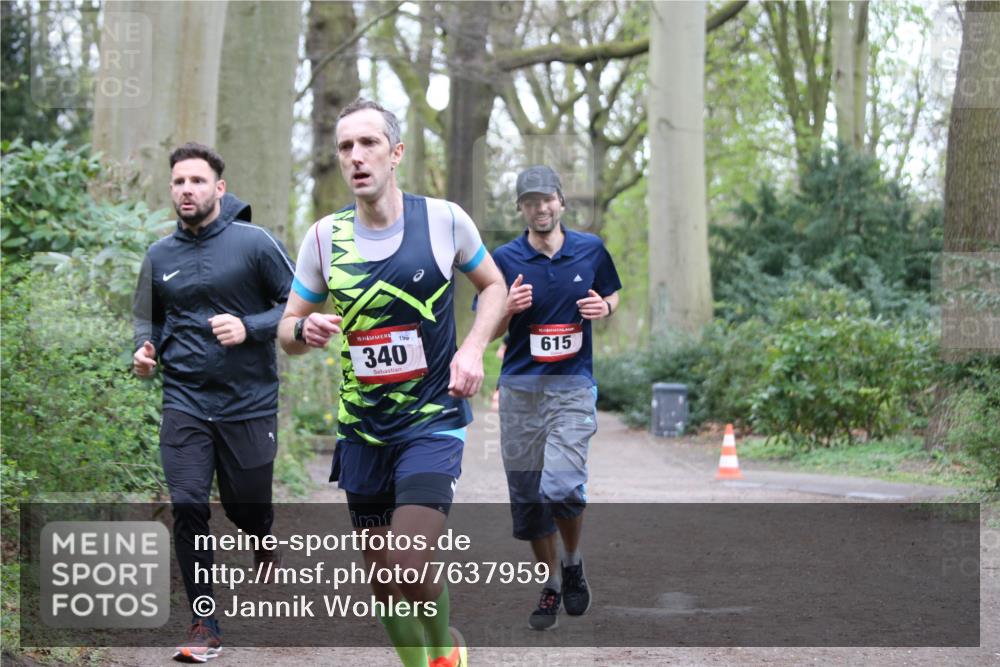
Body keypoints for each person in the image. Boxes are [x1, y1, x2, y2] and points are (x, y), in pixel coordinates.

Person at [278, 99, 506, 667]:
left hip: (432, 421)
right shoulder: (325, 239)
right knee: (384, 584)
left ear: (396, 153)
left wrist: (474, 348)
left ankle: (445, 652)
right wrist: (306, 328)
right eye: (345, 147)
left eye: (369, 144)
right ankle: (427, 660)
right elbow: (285, 332)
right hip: (362, 432)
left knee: (409, 563)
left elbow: (495, 287)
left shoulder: (443, 220)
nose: (357, 157)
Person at [132, 142, 295, 663]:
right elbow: (147, 318)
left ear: (219, 189)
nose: (187, 190)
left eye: (197, 181)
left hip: (248, 401)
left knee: (246, 503)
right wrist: (143, 347)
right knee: (188, 505)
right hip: (184, 399)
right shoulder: (159, 255)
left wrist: (249, 327)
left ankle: (261, 531)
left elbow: (296, 303)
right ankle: (205, 623)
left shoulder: (254, 243)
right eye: (179, 182)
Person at [491, 165, 621, 631]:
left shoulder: (590, 249)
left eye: (547, 199)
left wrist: (603, 308)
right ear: (521, 209)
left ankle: (573, 561)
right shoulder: (503, 260)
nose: (540, 208)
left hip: (571, 387)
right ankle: (550, 583)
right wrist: (507, 310)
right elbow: (488, 329)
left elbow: (611, 293)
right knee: (528, 500)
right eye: (530, 201)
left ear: (562, 203)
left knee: (562, 485)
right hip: (521, 391)